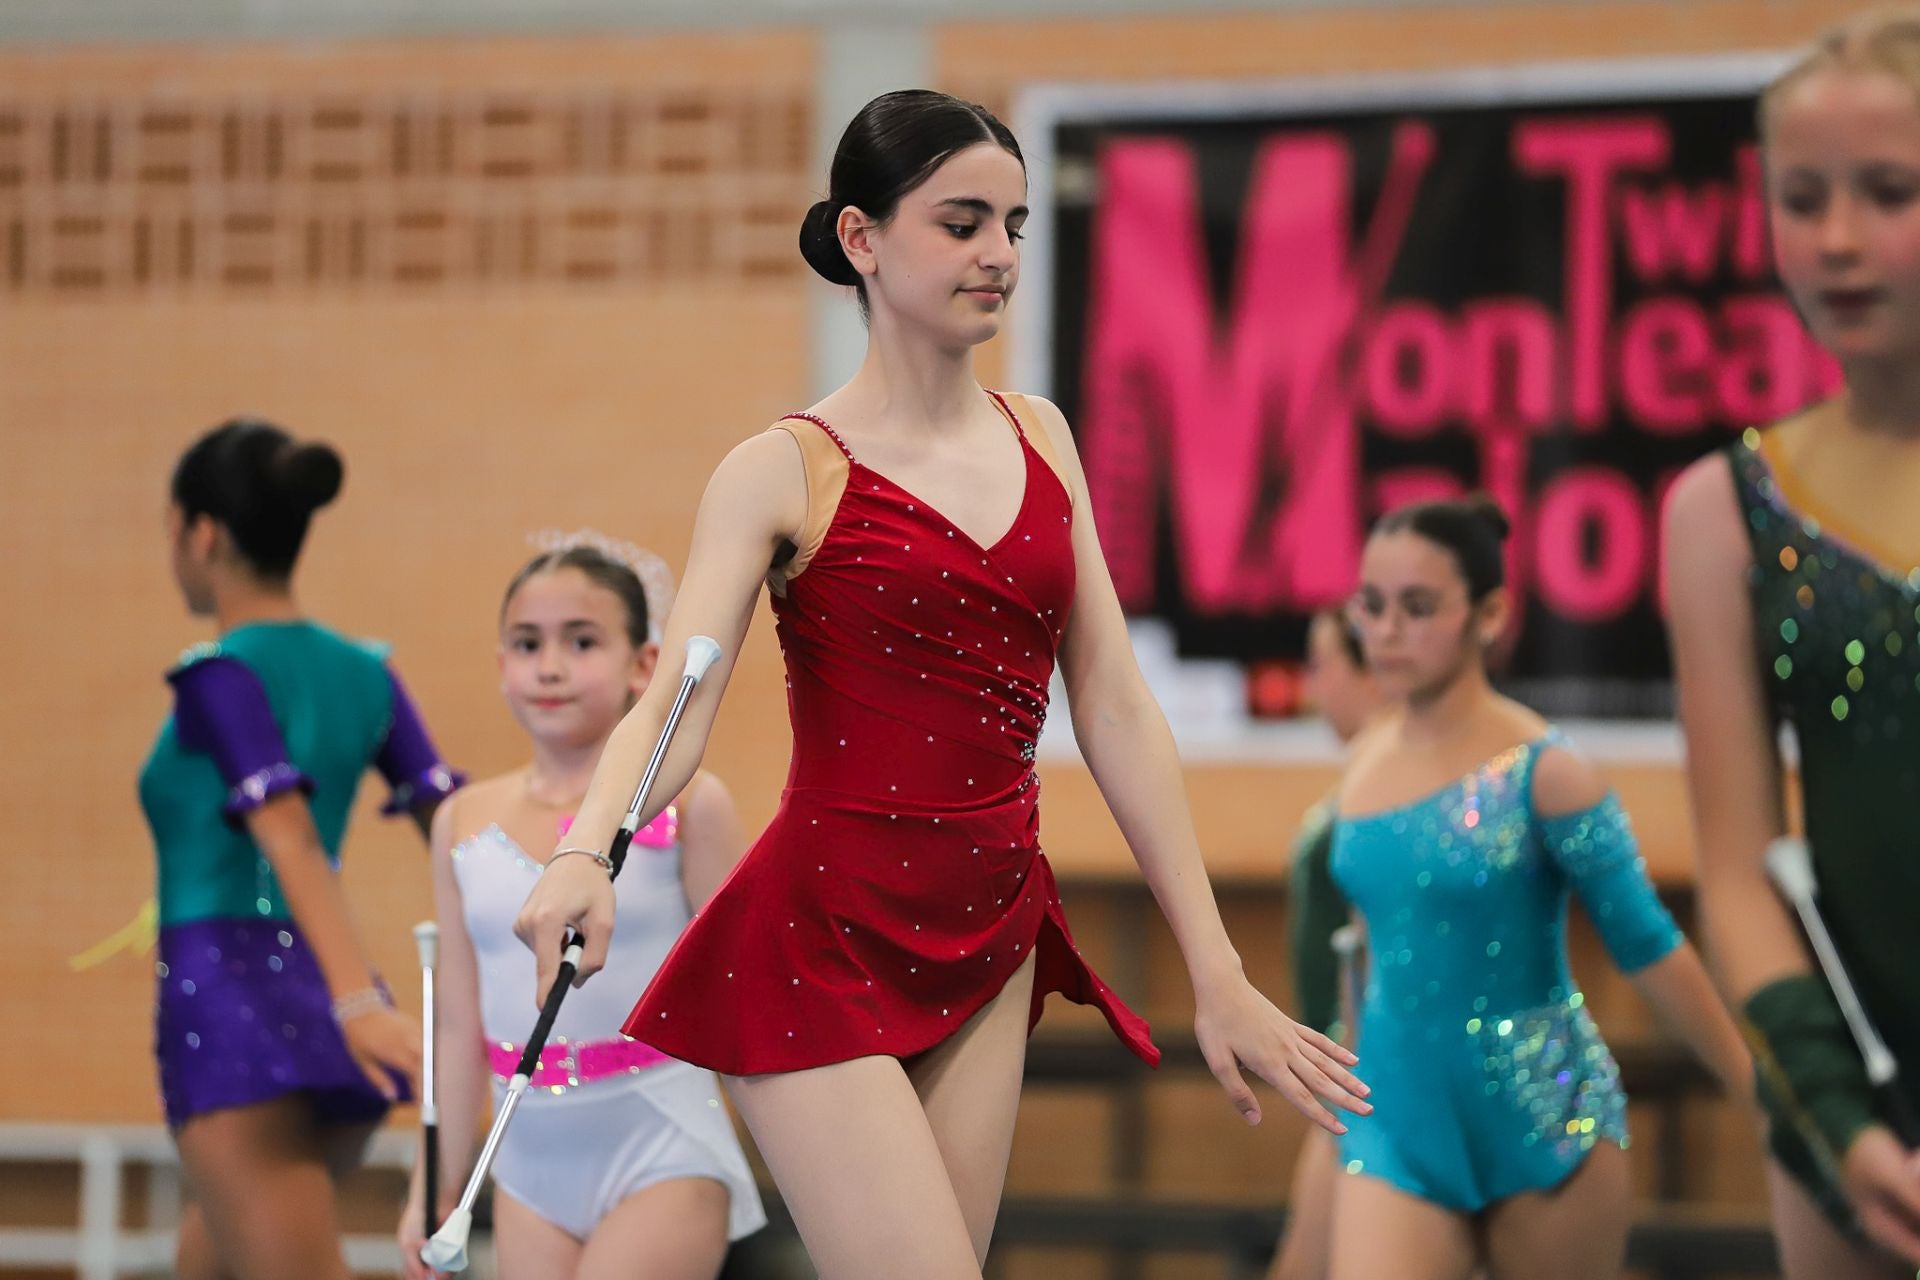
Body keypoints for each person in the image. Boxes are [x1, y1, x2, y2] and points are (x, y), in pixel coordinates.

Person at [513, 89, 1369, 1279]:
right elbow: (677, 698)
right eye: (962, 222)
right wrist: (585, 848)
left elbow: (1114, 702)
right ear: (861, 238)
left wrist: (1217, 969)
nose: (1000, 254)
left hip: (990, 925)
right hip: (822, 934)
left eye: (1014, 225)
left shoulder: (1045, 435)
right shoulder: (780, 469)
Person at [1325, 496, 1750, 1280]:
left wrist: (1758, 1089)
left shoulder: (1551, 773)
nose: (1385, 631)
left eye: (1417, 608)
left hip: (1545, 1114)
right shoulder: (1362, 760)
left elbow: (1646, 942)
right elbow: (1363, 948)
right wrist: (1332, 1105)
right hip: (1394, 1117)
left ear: (1490, 615)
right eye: (1371, 605)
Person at [1663, 8, 1920, 1273]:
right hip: (1848, 1089)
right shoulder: (1725, 513)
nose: (1837, 240)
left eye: (1889, 193)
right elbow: (1738, 866)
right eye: (1802, 197)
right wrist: (1838, 1115)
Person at [139, 419, 462, 1280]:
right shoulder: (366, 672)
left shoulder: (220, 676)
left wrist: (360, 1005)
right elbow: (454, 827)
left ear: (200, 532)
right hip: (317, 990)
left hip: (237, 1005)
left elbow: (282, 831)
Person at [397, 537, 763, 1280]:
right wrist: (433, 1185)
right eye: (527, 644)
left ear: (643, 665)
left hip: (663, 1139)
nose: (550, 666)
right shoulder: (460, 819)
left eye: (582, 641)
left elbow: (750, 994)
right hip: (527, 1163)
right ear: (502, 665)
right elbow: (458, 1023)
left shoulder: (691, 803)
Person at [1268, 610, 1389, 1280]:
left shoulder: (1389, 788)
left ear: (1369, 670)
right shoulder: (1368, 778)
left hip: (1374, 1075)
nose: (1314, 687)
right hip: (1350, 1071)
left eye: (1324, 665)